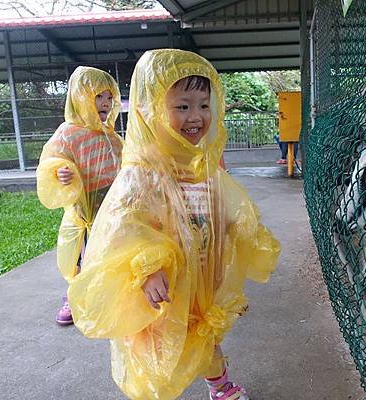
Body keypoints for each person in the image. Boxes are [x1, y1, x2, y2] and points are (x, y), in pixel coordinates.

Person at [68, 49, 280, 400]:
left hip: (202, 278)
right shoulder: (142, 173)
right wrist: (148, 267)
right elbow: (122, 227)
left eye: (203, 104)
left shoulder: (204, 167)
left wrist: (240, 230)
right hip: (162, 291)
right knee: (157, 349)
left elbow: (223, 209)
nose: (195, 116)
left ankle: (220, 385)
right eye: (182, 106)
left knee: (204, 335)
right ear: (149, 110)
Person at [36, 66, 123, 326]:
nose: (106, 103)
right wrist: (60, 173)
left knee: (111, 249)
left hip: (112, 204)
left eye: (109, 97)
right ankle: (74, 295)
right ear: (80, 97)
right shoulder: (68, 133)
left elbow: (125, 163)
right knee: (81, 254)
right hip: (85, 207)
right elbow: (52, 162)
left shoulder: (111, 136)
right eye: (99, 96)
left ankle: (109, 293)